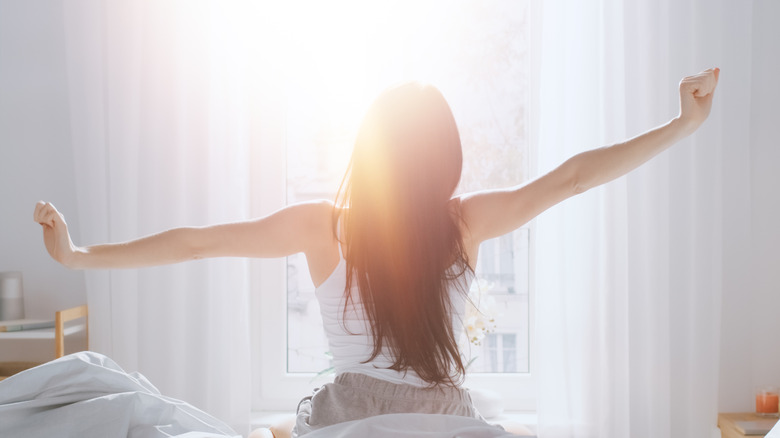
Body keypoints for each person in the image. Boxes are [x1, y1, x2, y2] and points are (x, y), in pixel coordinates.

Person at [34, 68, 720, 437]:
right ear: (444, 156)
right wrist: (682, 125)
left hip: (348, 421)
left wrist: (80, 255)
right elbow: (572, 178)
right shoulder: (465, 223)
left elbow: (196, 244)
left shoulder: (325, 228)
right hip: (441, 422)